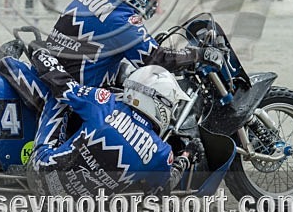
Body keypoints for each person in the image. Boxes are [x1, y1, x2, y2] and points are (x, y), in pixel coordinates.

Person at [27, 0, 224, 150]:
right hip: (79, 93)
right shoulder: (120, 17)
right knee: (147, 109)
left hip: (61, 73)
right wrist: (199, 54)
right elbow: (155, 59)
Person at [26, 49, 204, 197]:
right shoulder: (162, 153)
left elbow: (64, 87)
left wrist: (42, 55)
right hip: (75, 211)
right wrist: (186, 157)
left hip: (37, 178)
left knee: (59, 98)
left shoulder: (106, 103)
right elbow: (159, 192)